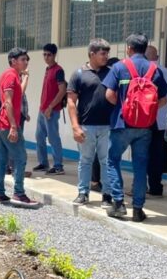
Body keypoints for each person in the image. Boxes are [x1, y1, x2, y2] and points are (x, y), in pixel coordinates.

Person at [103, 34, 167, 222]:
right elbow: (164, 99)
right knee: (140, 166)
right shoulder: (155, 70)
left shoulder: (119, 67)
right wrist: (147, 111)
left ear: (129, 48)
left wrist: (125, 107)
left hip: (121, 123)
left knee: (113, 160)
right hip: (145, 127)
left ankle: (118, 203)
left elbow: (109, 94)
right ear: (145, 48)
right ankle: (138, 209)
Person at [67, 39, 114, 207]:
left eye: (107, 53)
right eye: (103, 53)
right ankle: (83, 193)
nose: (106, 56)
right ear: (92, 54)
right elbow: (71, 102)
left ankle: (107, 195)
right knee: (85, 160)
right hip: (86, 126)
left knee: (106, 161)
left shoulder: (111, 73)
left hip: (108, 126)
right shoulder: (79, 74)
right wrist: (75, 127)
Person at [0, 47, 40, 208]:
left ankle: (0, 194)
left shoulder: (12, 76)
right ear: (13, 61)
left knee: (2, 159)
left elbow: (18, 94)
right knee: (20, 157)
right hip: (7, 124)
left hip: (0, 124)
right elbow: (8, 102)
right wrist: (13, 126)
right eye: (23, 59)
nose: (26, 62)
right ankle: (19, 193)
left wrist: (26, 76)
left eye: (27, 59)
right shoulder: (11, 76)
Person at [145, 45, 167, 197]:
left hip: (142, 121)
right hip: (161, 121)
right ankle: (155, 186)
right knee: (157, 155)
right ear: (157, 57)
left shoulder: (141, 71)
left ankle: (139, 186)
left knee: (141, 154)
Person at [34, 43, 67, 175]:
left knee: (53, 138)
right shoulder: (48, 69)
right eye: (44, 54)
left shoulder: (58, 70)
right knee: (39, 137)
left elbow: (62, 90)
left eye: (49, 55)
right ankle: (43, 163)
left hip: (51, 111)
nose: (46, 57)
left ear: (54, 55)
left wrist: (50, 107)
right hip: (42, 110)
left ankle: (58, 166)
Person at [91, 56, 120, 192]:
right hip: (105, 121)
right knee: (102, 153)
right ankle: (96, 181)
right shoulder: (109, 80)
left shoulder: (107, 79)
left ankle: (97, 180)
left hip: (108, 121)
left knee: (102, 153)